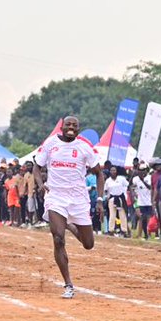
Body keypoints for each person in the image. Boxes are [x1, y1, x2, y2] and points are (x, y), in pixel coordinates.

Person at [37, 116, 104, 299]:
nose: (71, 127)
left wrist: (99, 199)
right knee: (58, 239)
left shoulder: (84, 146)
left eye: (75, 125)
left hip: (78, 199)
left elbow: (99, 174)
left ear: (78, 128)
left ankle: (69, 225)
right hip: (56, 196)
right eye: (68, 124)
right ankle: (68, 284)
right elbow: (37, 166)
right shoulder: (50, 143)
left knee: (88, 244)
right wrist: (40, 184)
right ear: (62, 126)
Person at [130, 164, 154, 239]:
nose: (141, 172)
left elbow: (150, 187)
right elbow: (132, 187)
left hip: (149, 201)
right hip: (140, 201)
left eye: (143, 170)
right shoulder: (135, 179)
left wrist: (143, 180)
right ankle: (140, 234)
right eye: (140, 170)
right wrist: (133, 194)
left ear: (146, 170)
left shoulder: (150, 177)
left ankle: (148, 234)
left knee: (148, 218)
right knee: (141, 218)